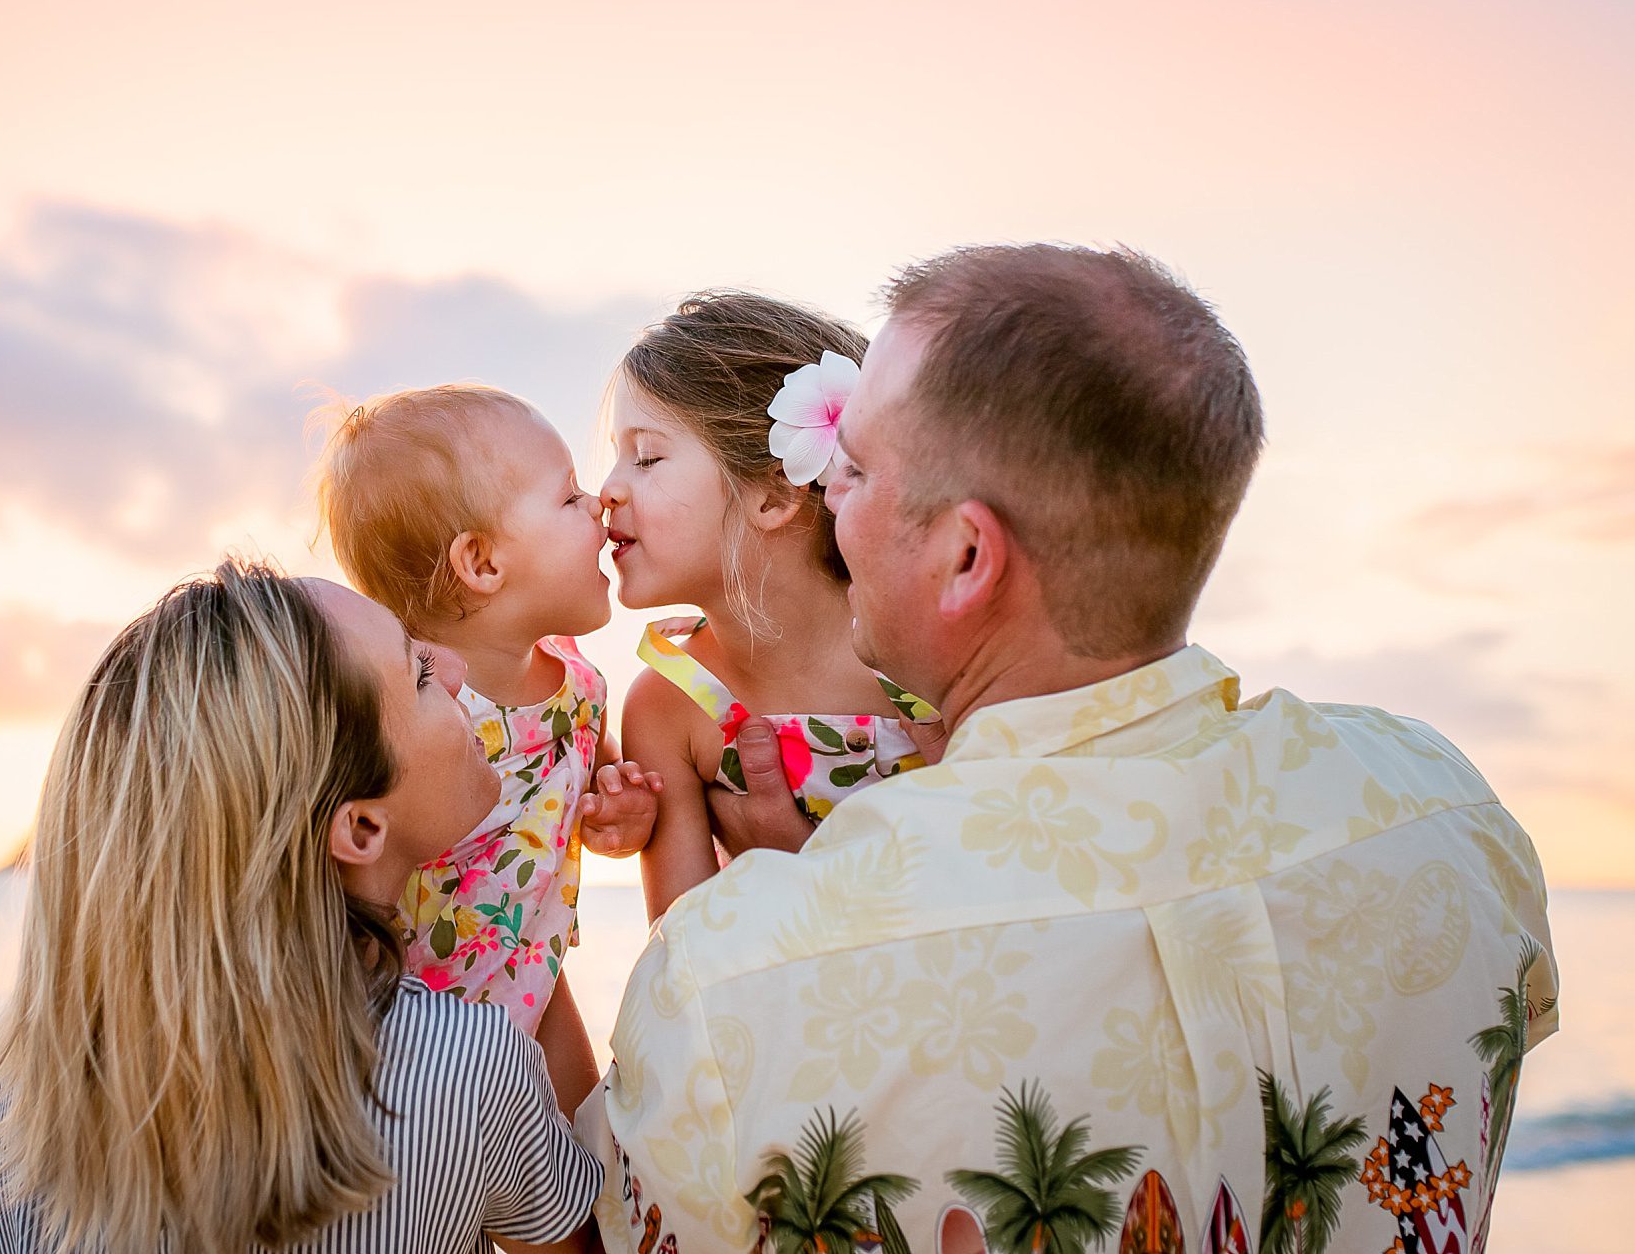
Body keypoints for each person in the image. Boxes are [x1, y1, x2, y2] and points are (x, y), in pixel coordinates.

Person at [578, 246, 1557, 1254]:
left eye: (855, 471)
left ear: (966, 557)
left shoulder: (734, 978)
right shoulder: (1445, 809)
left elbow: (603, 1215)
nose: (826, 497)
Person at [0, 558, 602, 1254]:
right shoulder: (464, 1067)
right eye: (422, 676)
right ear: (361, 828)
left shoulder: (34, 1081)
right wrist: (530, 910)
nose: (456, 667)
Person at [319, 385, 660, 1111]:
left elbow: (595, 791)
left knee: (588, 1187)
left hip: (537, 982)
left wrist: (620, 811)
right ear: (480, 562)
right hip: (406, 1027)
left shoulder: (579, 683)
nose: (599, 503)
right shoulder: (414, 710)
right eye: (568, 498)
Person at [600, 292, 943, 921]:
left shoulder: (930, 663)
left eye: (646, 457)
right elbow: (683, 960)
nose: (607, 490)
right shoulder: (669, 706)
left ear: (774, 496)